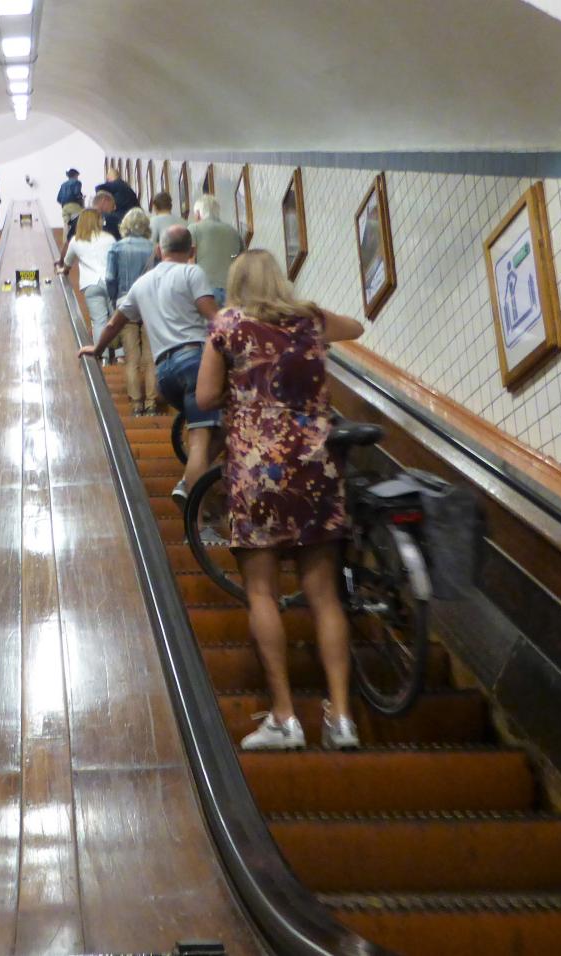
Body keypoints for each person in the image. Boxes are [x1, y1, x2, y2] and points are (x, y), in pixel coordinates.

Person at [194, 250, 366, 751]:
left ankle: (286, 718)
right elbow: (355, 327)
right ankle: (342, 719)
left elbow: (204, 398)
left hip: (257, 469)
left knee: (263, 593)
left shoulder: (227, 324)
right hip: (316, 464)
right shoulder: (310, 319)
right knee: (325, 596)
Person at [78, 225, 219, 498]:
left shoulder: (140, 284)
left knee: (211, 428)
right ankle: (193, 503)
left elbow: (113, 323)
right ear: (192, 251)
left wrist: (97, 349)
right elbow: (215, 318)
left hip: (164, 373)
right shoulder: (192, 272)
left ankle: (199, 486)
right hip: (195, 363)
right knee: (204, 437)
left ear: (159, 250)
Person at [106, 208, 157, 414]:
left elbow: (110, 278)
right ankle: (152, 404)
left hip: (125, 303)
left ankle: (137, 405)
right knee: (151, 357)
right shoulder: (155, 248)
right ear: (146, 227)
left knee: (131, 356)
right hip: (151, 304)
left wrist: (114, 299)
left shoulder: (116, 248)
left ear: (125, 226)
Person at [60, 208, 117, 360]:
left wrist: (63, 271)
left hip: (91, 284)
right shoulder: (109, 238)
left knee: (98, 321)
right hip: (110, 281)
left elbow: (67, 263)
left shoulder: (76, 240)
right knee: (115, 320)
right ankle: (120, 355)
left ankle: (102, 356)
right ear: (98, 221)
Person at [190, 194, 244, 306]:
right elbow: (242, 260)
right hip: (230, 291)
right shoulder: (233, 232)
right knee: (228, 323)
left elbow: (188, 261)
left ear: (198, 214)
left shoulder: (193, 229)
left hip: (205, 290)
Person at [147, 191, 185, 263]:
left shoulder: (153, 221)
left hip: (164, 260)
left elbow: (151, 245)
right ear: (171, 206)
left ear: (155, 207)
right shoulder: (183, 221)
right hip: (182, 260)